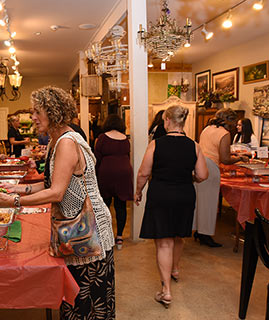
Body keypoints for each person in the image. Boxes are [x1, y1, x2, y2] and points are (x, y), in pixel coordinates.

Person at [0, 86, 115, 319]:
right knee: (76, 299)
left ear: (54, 112)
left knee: (87, 301)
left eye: (38, 111)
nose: (32, 117)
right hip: (77, 229)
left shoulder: (66, 142)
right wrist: (18, 187)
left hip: (90, 231)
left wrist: (15, 201)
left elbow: (56, 193)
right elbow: (51, 184)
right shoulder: (56, 141)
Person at [135, 105, 208, 308]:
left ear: (167, 120)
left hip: (161, 195)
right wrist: (187, 177)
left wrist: (138, 191)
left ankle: (166, 290)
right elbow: (202, 175)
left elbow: (142, 173)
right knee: (178, 235)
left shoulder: (156, 145)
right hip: (185, 194)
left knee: (164, 242)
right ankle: (175, 269)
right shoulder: (194, 145)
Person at [194, 108, 248, 247]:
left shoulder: (206, 129)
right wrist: (239, 158)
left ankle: (198, 231)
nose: (235, 126)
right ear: (229, 120)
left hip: (198, 164)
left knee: (200, 202)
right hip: (211, 167)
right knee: (210, 204)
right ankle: (205, 235)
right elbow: (225, 159)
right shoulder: (224, 134)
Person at [95, 114, 133, 249]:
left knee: (105, 205)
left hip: (107, 172)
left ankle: (106, 235)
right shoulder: (125, 139)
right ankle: (120, 237)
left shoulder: (102, 138)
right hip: (124, 173)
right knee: (121, 205)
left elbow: (97, 159)